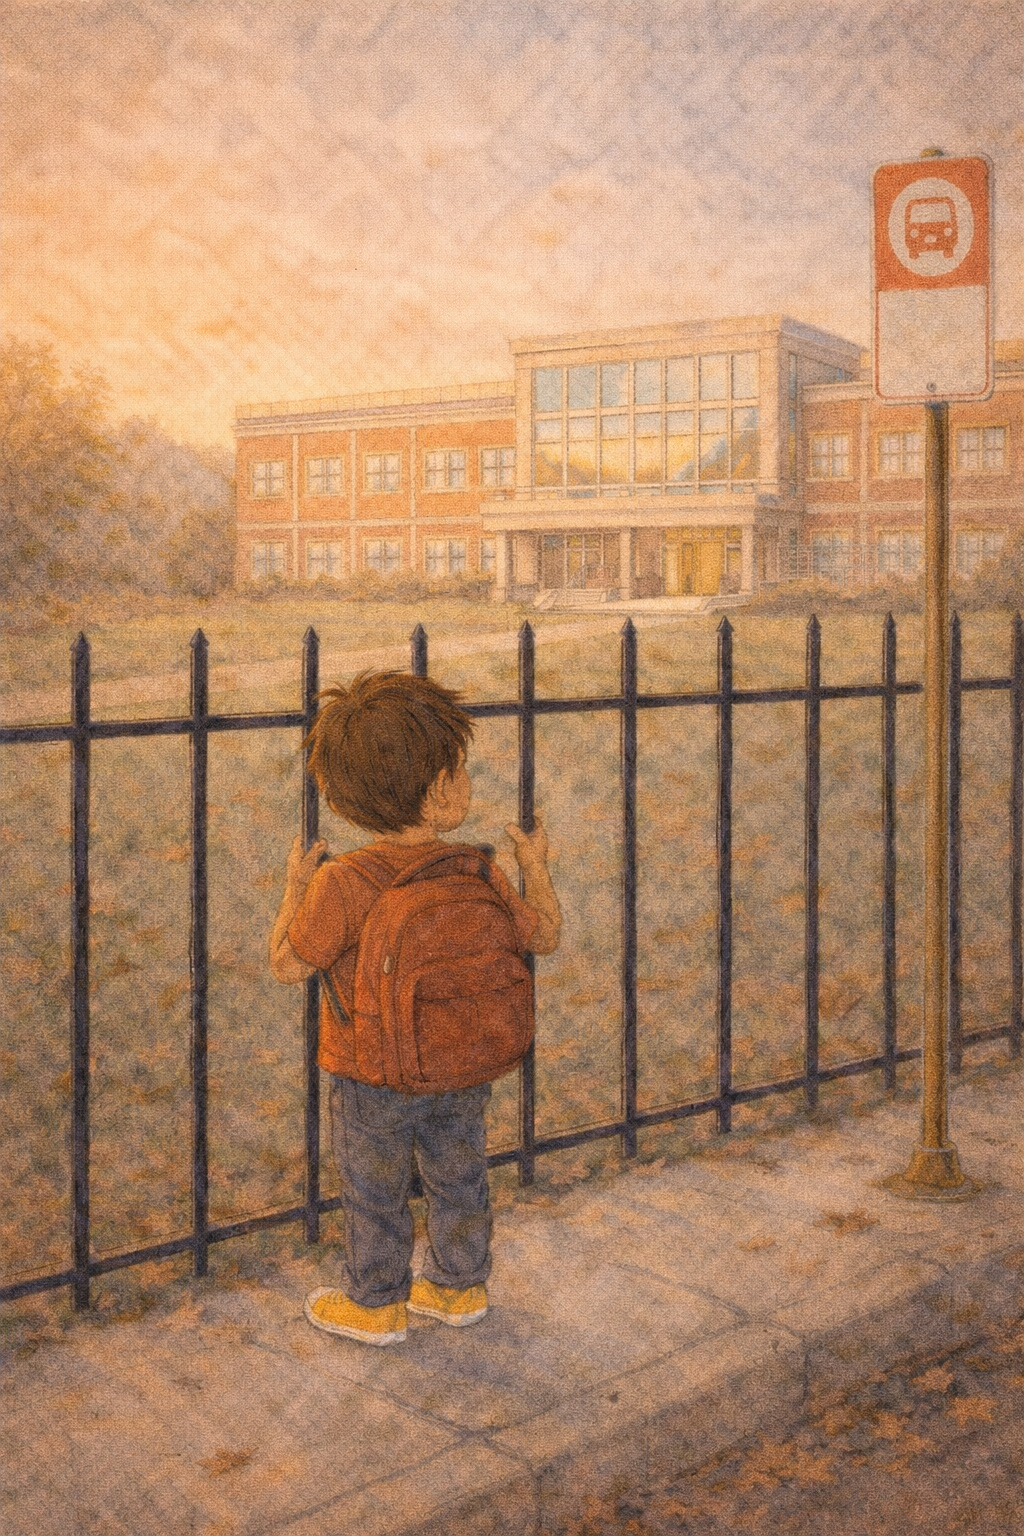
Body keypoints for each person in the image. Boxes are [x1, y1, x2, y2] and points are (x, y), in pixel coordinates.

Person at [270, 670, 560, 1346]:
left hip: (370, 1071)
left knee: (374, 1191)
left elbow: (288, 965)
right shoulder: (477, 867)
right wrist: (535, 866)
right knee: (460, 1176)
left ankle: (377, 1302)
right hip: (463, 1061)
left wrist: (293, 889)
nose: (465, 783)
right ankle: (460, 1287)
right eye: (458, 771)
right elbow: (544, 935)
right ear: (436, 793)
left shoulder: (343, 881)